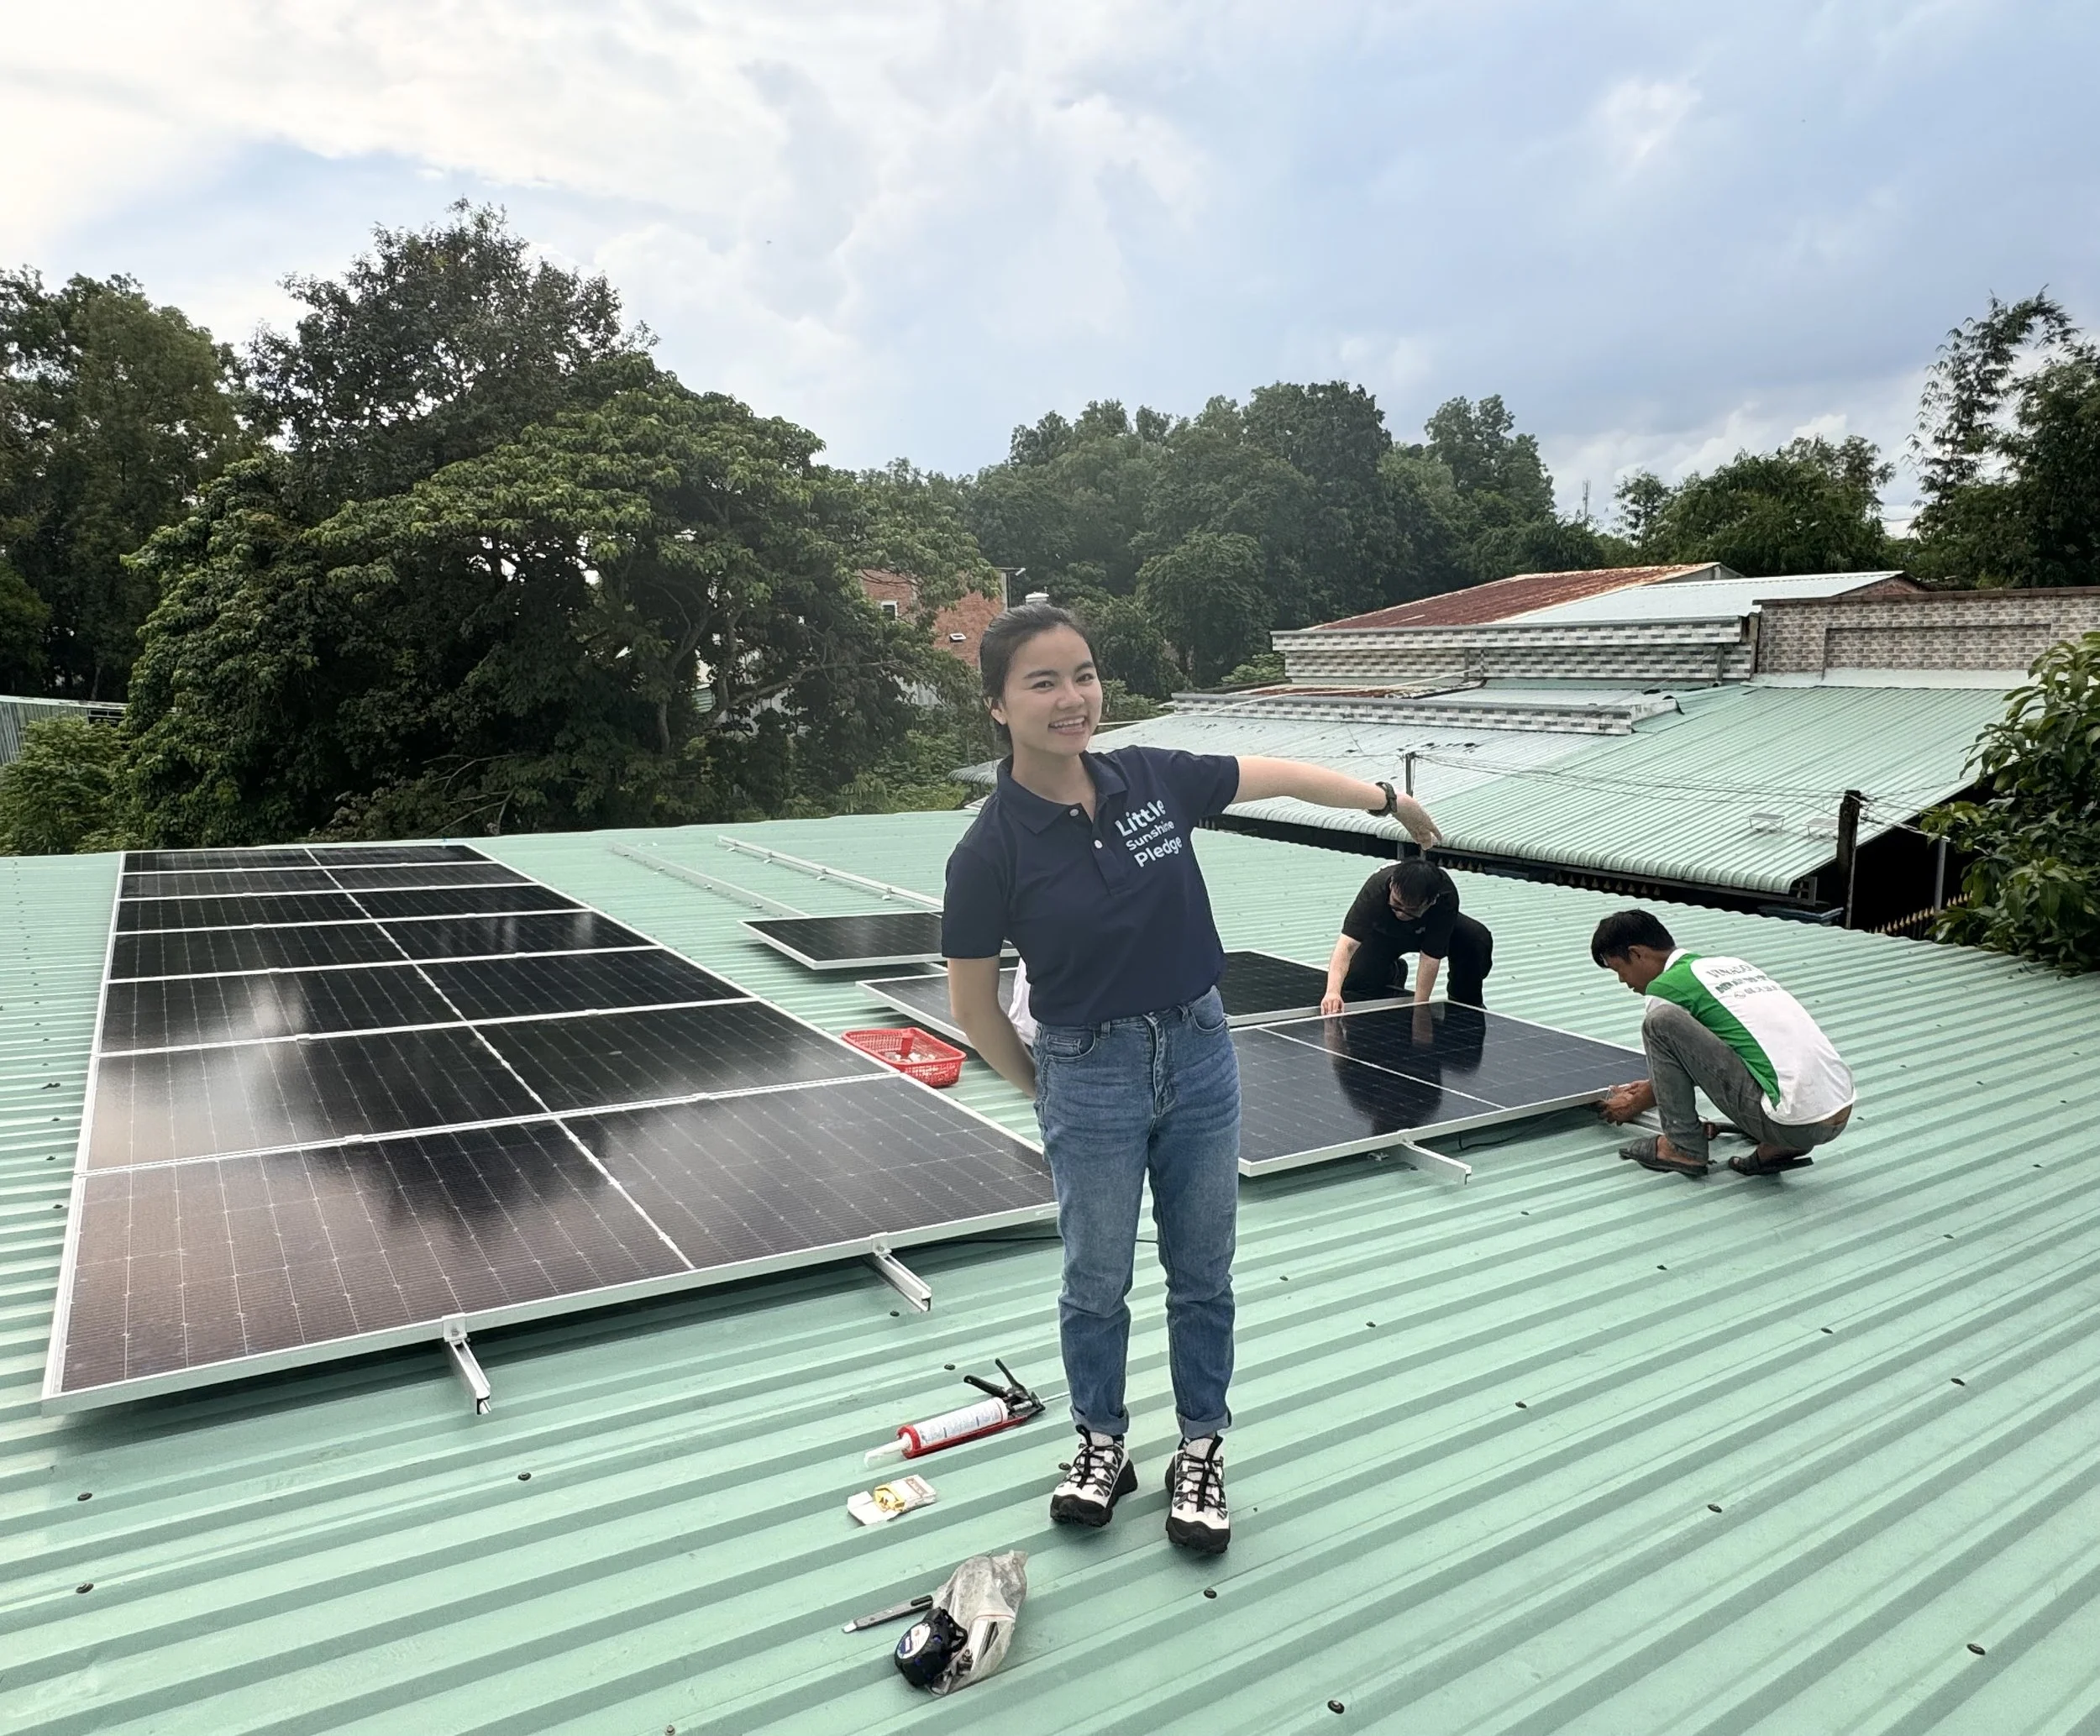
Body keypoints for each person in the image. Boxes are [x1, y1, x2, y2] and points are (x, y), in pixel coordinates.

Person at [941, 601, 1442, 1556]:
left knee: (1202, 1275)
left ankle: (1200, 1448)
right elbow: (971, 1009)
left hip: (1201, 1051)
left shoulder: (1151, 776)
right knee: (1095, 1279)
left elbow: (1280, 775)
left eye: (1082, 674)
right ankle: (1100, 1441)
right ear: (997, 706)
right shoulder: (989, 849)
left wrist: (1387, 801)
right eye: (1041, 682)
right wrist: (1048, 1090)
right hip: (1087, 1066)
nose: (1071, 698)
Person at [1590, 909, 1856, 1179]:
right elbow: (1721, 1051)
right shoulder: (1727, 966)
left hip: (1791, 1122)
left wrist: (1633, 1105)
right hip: (1837, 1110)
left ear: (1636, 954)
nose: (1623, 981)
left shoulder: (1665, 987)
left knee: (1660, 1022)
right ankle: (1778, 1146)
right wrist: (1651, 1085)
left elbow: (1689, 1052)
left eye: (1619, 970)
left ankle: (1681, 1147)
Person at [1320, 856, 1494, 1016]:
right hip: (1384, 934)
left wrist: (1419, 1009)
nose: (1401, 914)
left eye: (1410, 911)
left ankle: (1463, 1000)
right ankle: (1394, 972)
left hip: (1427, 931)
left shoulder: (1445, 897)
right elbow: (1346, 945)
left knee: (1475, 939)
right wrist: (1332, 992)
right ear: (1392, 885)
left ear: (1431, 901)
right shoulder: (1375, 890)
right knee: (1355, 981)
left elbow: (1430, 958)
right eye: (1396, 905)